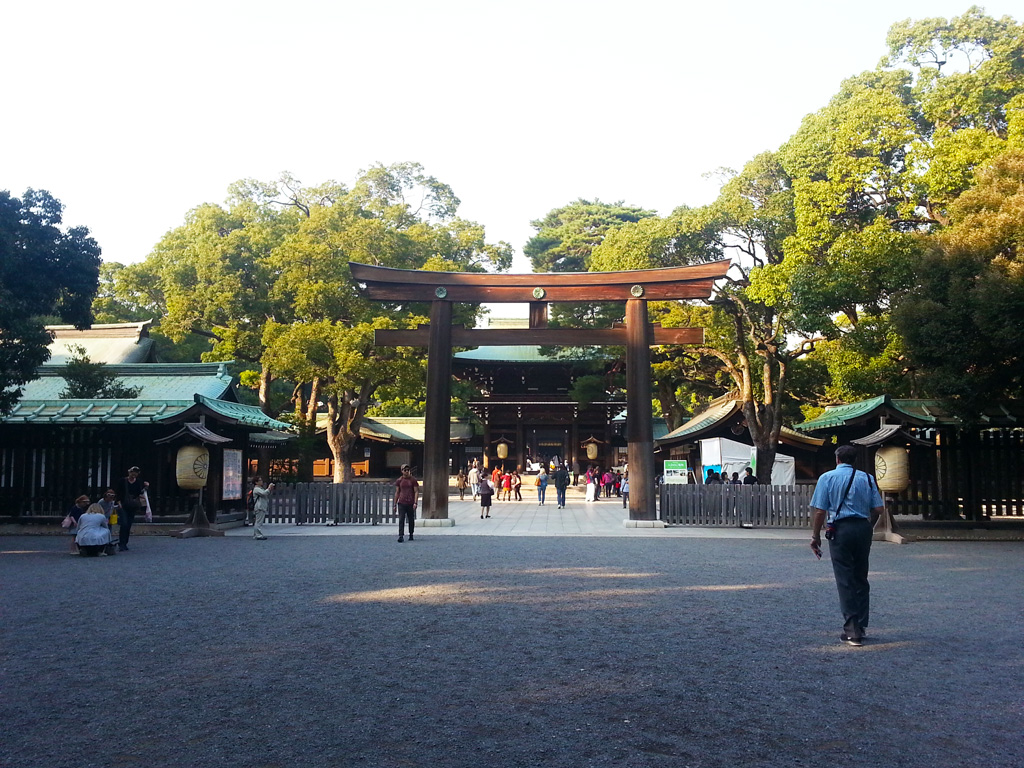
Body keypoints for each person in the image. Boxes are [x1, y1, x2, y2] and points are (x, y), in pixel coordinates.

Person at [810, 444, 884, 647]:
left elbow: (820, 511)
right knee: (861, 576)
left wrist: (815, 536)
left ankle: (852, 631)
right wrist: (867, 523)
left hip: (840, 529)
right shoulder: (867, 478)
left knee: (845, 578)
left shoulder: (827, 478)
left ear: (837, 459)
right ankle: (860, 625)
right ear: (855, 460)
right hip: (862, 527)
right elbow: (878, 508)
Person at [119, 466, 148, 552]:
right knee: (124, 523)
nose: (134, 474)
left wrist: (146, 487)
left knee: (128, 524)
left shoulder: (139, 482)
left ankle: (125, 542)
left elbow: (141, 492)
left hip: (133, 505)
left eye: (136, 472)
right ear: (129, 472)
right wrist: (118, 503)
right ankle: (121, 543)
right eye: (132, 472)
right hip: (123, 504)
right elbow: (118, 492)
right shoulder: (122, 481)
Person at [393, 464, 419, 542]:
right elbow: (397, 492)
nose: (407, 471)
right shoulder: (399, 480)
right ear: (402, 471)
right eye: (405, 470)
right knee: (401, 519)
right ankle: (401, 535)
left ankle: (411, 533)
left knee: (411, 519)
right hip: (401, 502)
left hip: (410, 502)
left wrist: (415, 502)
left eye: (408, 470)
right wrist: (395, 504)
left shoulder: (413, 480)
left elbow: (416, 491)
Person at [252, 476, 274, 540]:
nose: (261, 481)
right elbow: (264, 493)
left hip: (261, 506)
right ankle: (258, 535)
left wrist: (269, 489)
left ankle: (256, 534)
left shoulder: (259, 488)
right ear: (256, 482)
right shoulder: (256, 489)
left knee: (258, 521)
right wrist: (269, 488)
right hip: (260, 507)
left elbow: (265, 494)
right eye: (260, 480)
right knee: (259, 522)